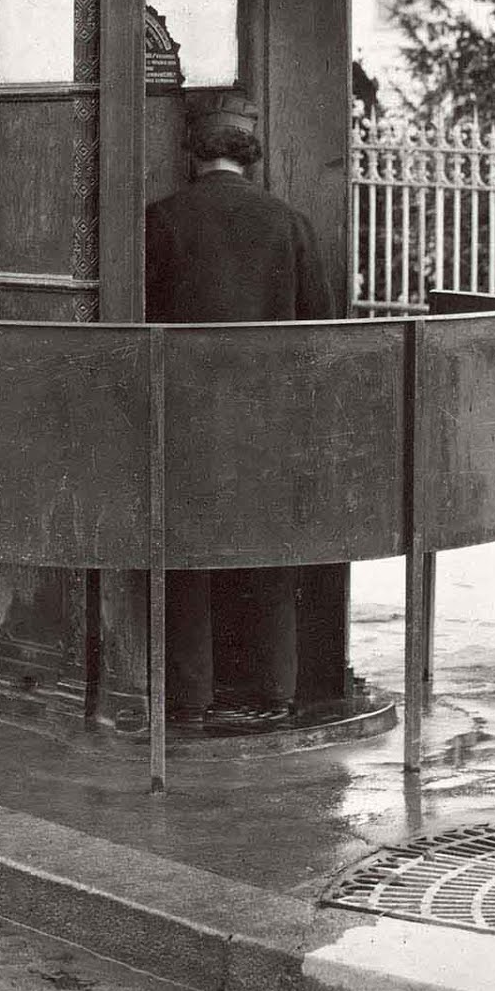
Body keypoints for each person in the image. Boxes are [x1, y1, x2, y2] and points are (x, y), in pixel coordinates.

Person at [144, 91, 333, 728]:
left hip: (187, 419)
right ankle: (275, 691)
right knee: (272, 552)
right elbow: (321, 329)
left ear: (191, 148)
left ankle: (190, 700)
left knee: (186, 555)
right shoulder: (290, 223)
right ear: (249, 150)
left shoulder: (161, 220)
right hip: (270, 420)